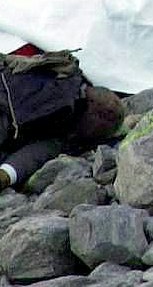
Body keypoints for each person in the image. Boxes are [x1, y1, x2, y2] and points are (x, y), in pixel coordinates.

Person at [0, 52, 125, 188]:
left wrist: (6, 174)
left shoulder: (57, 71)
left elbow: (35, 154)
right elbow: (35, 154)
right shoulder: (61, 124)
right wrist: (6, 174)